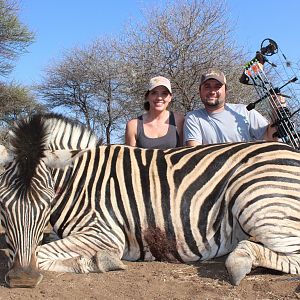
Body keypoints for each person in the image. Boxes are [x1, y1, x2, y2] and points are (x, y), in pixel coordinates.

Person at [184, 68, 279, 146]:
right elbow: (195, 152)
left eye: (217, 86)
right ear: (200, 91)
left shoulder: (245, 111)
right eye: (207, 86)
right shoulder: (193, 118)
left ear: (226, 90)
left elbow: (270, 137)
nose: (212, 91)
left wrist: (277, 109)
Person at [125, 76, 184, 149]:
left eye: (164, 93)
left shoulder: (180, 121)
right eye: (154, 93)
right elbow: (130, 158)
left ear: (170, 98)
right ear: (147, 96)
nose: (159, 97)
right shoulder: (133, 125)